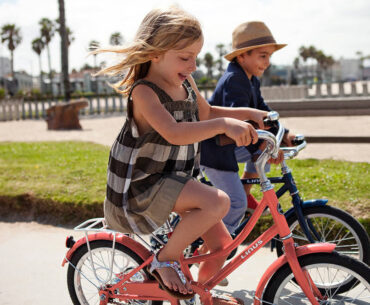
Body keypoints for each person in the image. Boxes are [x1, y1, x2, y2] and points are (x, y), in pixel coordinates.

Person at [96, 7, 267, 303]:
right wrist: (224, 125)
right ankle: (165, 259)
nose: (194, 66)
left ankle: (205, 298)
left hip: (176, 178)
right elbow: (173, 132)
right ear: (155, 53)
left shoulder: (186, 83)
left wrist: (252, 114)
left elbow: (208, 112)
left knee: (221, 247)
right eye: (185, 57)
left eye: (196, 57)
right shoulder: (144, 92)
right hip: (145, 184)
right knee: (220, 201)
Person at [201, 21, 295, 234]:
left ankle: (245, 190)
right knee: (235, 203)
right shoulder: (235, 80)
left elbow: (262, 110)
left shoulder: (250, 79)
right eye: (263, 56)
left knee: (266, 148)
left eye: (270, 56)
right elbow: (243, 123)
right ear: (242, 56)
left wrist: (285, 134)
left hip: (229, 145)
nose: (268, 62)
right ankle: (215, 244)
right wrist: (263, 146)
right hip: (214, 151)